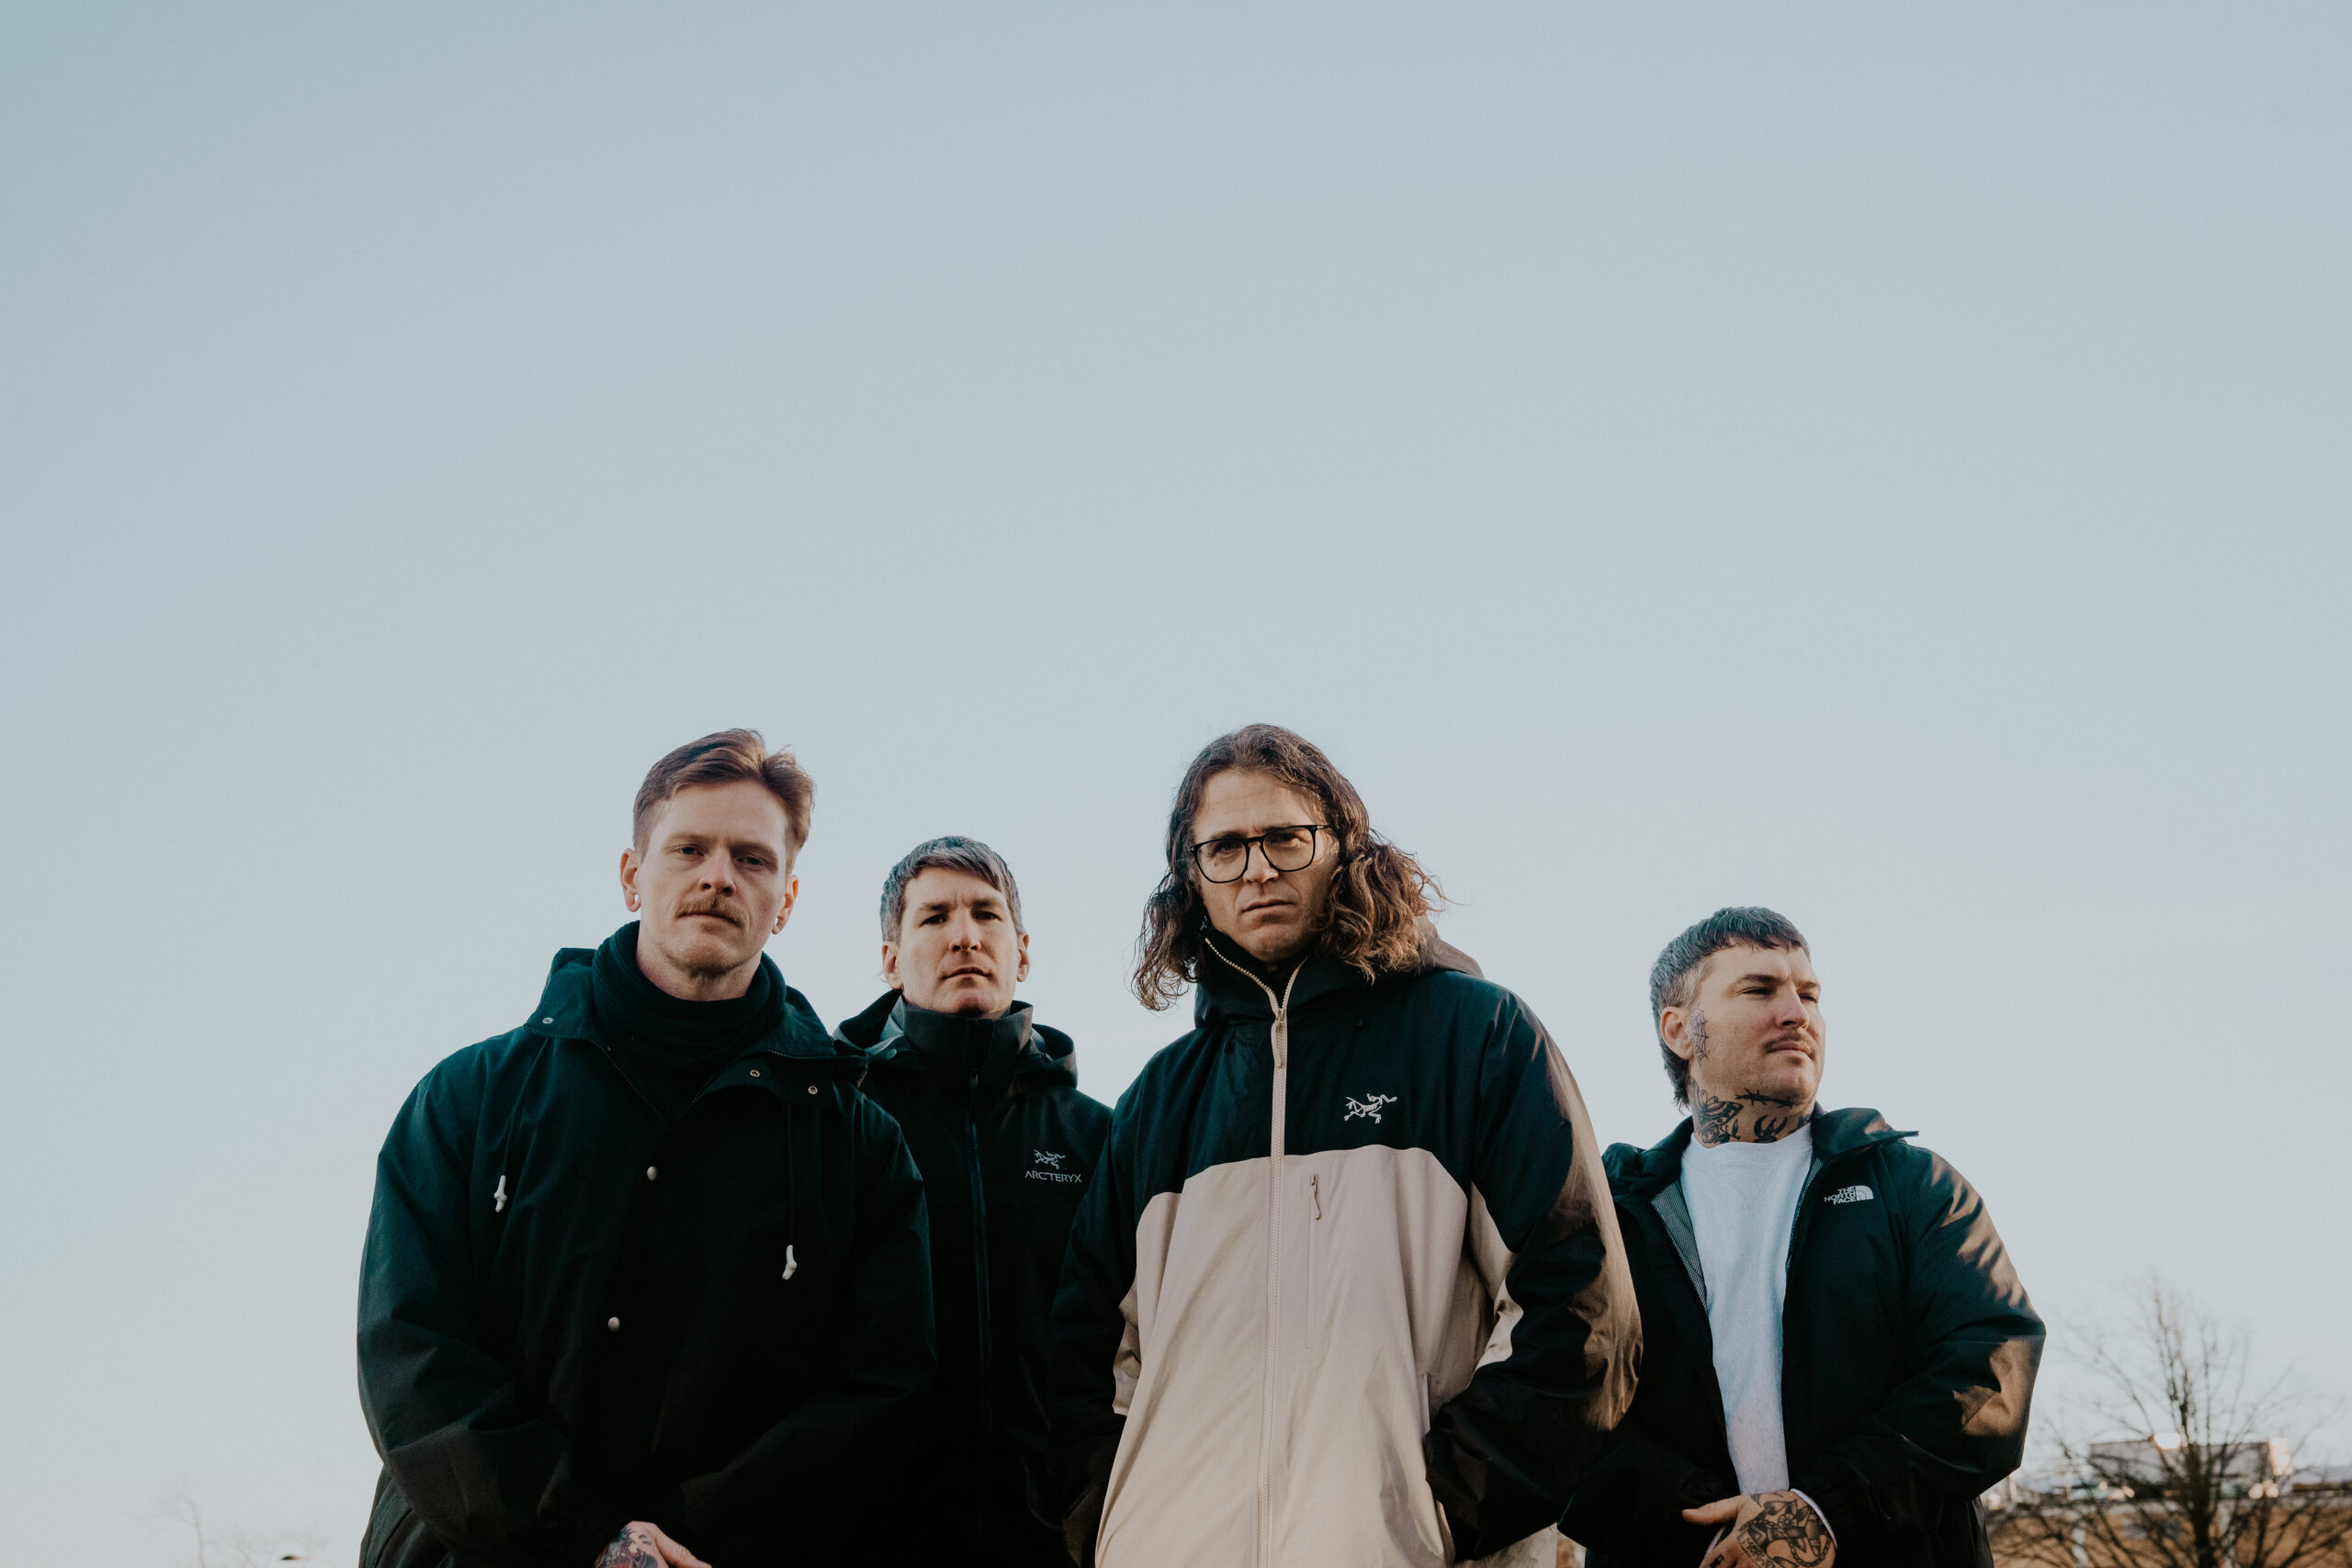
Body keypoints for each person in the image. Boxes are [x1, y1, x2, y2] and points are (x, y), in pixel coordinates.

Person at [1049, 724, 1638, 1568]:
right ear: (1192, 878)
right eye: (1225, 848)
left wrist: (1433, 1512)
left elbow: (1582, 1315)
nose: (1257, 868)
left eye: (1286, 837)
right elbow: (1084, 1364)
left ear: (1345, 847)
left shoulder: (1477, 1037)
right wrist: (1120, 1523)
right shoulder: (1157, 1101)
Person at [357, 730, 934, 1568]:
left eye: (752, 859)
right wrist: (587, 1537)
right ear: (632, 875)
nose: (718, 876)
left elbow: (878, 1396)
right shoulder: (468, 1100)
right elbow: (410, 1350)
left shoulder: (861, 1150)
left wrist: (670, 1547)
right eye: (689, 849)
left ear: (787, 898)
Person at [1561, 908, 2043, 1568]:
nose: (1797, 1014)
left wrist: (1822, 1513)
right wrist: (1715, 1536)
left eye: (1809, 994)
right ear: (1679, 1030)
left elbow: (1992, 1367)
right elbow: (1564, 1402)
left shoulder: (1911, 1185)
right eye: (1759, 989)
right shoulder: (1611, 1212)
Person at [831, 837, 1113, 1566]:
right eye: (934, 917)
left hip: (1061, 1541)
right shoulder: (839, 1122)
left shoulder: (1100, 1136)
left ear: (1023, 950)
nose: (965, 935)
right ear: (891, 960)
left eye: (986, 913)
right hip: (871, 1540)